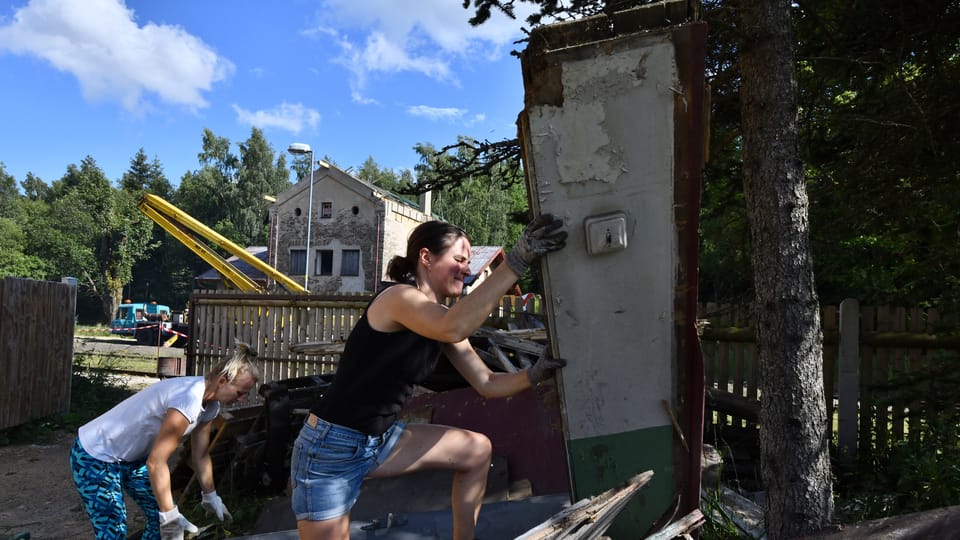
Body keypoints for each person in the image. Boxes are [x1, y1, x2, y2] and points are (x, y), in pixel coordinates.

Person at [290, 215, 569, 540]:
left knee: (476, 451)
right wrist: (517, 261)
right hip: (332, 446)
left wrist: (535, 374)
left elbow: (487, 383)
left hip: (379, 442)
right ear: (426, 258)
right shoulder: (399, 299)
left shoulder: (442, 320)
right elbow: (453, 327)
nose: (468, 270)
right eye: (460, 260)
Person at [71, 342, 261, 540]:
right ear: (222, 381)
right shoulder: (188, 399)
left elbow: (201, 454)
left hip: (130, 459)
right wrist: (169, 516)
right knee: (113, 530)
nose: (242, 400)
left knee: (159, 516)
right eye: (240, 393)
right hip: (96, 455)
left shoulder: (210, 405)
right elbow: (156, 462)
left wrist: (210, 494)